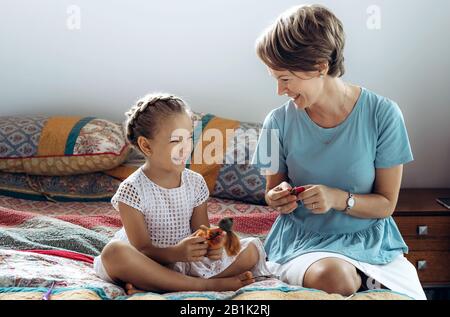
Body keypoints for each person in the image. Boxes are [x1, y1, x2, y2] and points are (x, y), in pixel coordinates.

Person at [251, 4, 426, 300]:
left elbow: (386, 204)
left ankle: (367, 277)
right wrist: (277, 197)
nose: (280, 91)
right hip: (302, 242)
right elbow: (269, 194)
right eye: (275, 79)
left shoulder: (384, 114)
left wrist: (337, 199)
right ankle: (359, 280)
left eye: (285, 78)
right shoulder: (274, 121)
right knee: (335, 277)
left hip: (371, 243)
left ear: (320, 66)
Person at [93, 93, 270, 294]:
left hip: (186, 262)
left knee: (251, 251)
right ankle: (205, 285)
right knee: (113, 253)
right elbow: (142, 249)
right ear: (146, 145)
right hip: (149, 261)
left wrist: (213, 244)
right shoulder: (132, 189)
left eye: (188, 138)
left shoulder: (195, 182)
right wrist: (176, 252)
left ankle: (157, 284)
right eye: (176, 140)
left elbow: (200, 230)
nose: (186, 147)